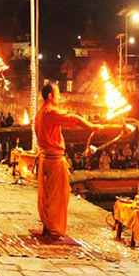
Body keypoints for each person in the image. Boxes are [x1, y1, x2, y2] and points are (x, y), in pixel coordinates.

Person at [35, 84, 103, 240]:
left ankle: (48, 226)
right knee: (57, 196)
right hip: (53, 160)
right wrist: (92, 126)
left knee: (48, 195)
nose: (59, 97)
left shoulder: (41, 112)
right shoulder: (50, 112)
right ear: (50, 96)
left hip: (46, 158)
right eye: (57, 94)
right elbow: (73, 118)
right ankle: (54, 230)